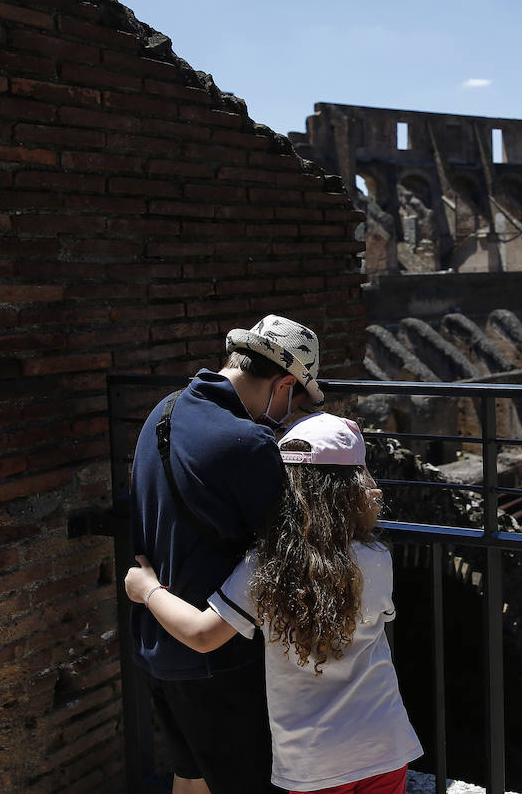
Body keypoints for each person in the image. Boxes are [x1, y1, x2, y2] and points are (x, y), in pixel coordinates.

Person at [125, 412, 423, 794]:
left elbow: (202, 635)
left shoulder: (266, 565)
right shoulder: (377, 558)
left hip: (313, 760)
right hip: (383, 743)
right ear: (355, 487)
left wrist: (147, 590)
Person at [129, 314, 325, 794]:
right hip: (220, 657)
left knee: (190, 780)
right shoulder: (250, 444)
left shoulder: (164, 410)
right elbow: (287, 546)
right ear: (281, 385)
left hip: (159, 642)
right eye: (296, 400)